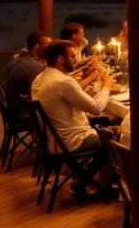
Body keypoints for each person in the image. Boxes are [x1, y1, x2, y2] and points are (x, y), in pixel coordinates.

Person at [31, 40, 116, 192]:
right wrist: (107, 87)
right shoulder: (63, 82)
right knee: (118, 135)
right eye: (73, 56)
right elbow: (96, 108)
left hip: (54, 139)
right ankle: (102, 184)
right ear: (61, 59)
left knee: (107, 123)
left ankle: (83, 179)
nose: (76, 60)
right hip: (73, 140)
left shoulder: (40, 78)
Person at [5, 31, 52, 117]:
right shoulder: (32, 66)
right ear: (36, 46)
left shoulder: (17, 57)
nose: (50, 49)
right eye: (48, 46)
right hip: (25, 111)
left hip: (15, 104)